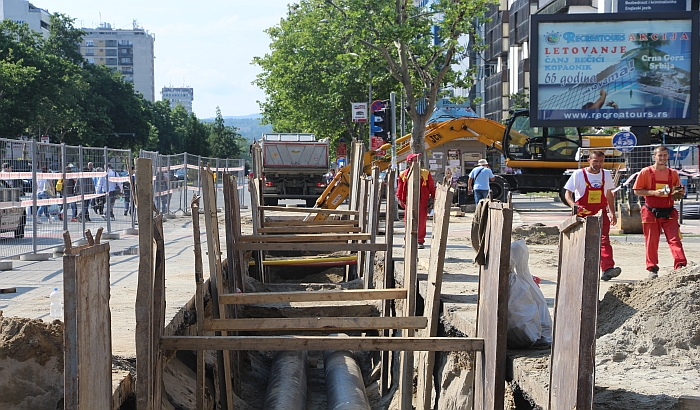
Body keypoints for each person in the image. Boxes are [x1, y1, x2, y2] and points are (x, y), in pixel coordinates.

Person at [564, 150, 622, 281]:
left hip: (601, 212)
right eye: (595, 161)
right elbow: (568, 193)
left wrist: (612, 212)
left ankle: (607, 269)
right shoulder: (578, 174)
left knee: (604, 239)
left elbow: (609, 195)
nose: (598, 164)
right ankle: (575, 268)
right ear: (589, 160)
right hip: (583, 211)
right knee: (580, 240)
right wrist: (573, 205)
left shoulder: (606, 174)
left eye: (601, 161)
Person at [633, 145, 687, 279]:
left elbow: (678, 189)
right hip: (651, 211)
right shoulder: (645, 172)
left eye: (665, 155)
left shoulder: (673, 173)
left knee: (675, 239)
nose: (662, 158)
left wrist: (679, 192)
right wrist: (653, 193)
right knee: (651, 241)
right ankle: (652, 268)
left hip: (669, 211)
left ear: (668, 156)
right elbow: (637, 190)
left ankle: (680, 265)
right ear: (654, 156)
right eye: (660, 155)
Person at [396, 153, 435, 249]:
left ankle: (420, 241)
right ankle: (408, 240)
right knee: (408, 220)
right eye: (415, 159)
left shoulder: (425, 173)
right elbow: (400, 189)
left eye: (417, 158)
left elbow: (431, 187)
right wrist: (400, 199)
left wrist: (435, 198)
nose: (417, 160)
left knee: (421, 221)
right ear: (410, 161)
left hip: (422, 200)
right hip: (408, 201)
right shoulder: (403, 174)